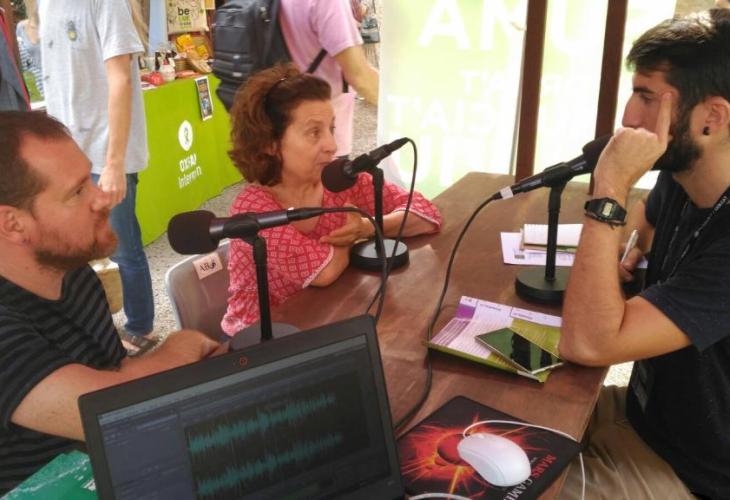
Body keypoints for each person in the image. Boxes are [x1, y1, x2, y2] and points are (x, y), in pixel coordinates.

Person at [0, 111, 223, 494]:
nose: (103, 197)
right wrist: (182, 344)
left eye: (89, 179)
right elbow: (114, 409)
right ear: (13, 224)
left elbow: (118, 371)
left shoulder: (73, 271)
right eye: (77, 192)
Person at [559, 9, 730, 499]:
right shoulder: (685, 177)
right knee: (487, 425)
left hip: (691, 473)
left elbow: (587, 344)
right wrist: (629, 250)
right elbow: (645, 219)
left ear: (712, 118)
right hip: (641, 417)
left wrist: (609, 186)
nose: (629, 118)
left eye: (647, 97)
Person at [221, 64, 441, 336]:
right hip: (259, 340)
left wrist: (367, 227)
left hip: (327, 317)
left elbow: (426, 215)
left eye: (331, 129)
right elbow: (324, 272)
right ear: (270, 143)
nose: (332, 145)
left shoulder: (336, 179)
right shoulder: (252, 208)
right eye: (314, 132)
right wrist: (352, 238)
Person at [38, 0, 156, 354]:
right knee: (71, 249)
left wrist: (114, 163)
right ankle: (90, 327)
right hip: (66, 150)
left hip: (105, 152)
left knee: (121, 245)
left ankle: (141, 327)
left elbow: (120, 79)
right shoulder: (45, 5)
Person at [279, 0, 379, 157]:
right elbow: (361, 78)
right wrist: (409, 107)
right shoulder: (328, 3)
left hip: (283, 128)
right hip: (323, 137)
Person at [15, 0, 43, 98]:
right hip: (35, 92)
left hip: (56, 84)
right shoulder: (21, 27)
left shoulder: (55, 25)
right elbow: (23, 63)